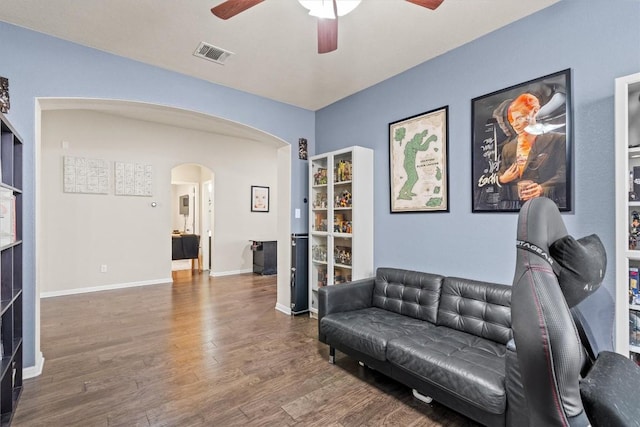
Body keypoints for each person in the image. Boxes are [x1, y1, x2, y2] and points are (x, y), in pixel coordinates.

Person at [497, 93, 567, 210]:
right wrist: (502, 179)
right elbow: (502, 175)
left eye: (519, 118)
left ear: (535, 112)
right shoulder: (508, 148)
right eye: (512, 120)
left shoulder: (558, 140)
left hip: (550, 207)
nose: (515, 124)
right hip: (517, 209)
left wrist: (542, 189)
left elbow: (564, 172)